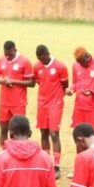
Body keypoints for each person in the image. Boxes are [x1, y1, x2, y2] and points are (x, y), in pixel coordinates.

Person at [33, 44, 69, 179]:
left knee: (54, 133)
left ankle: (57, 166)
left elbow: (65, 84)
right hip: (42, 103)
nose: (41, 61)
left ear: (48, 54)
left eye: (43, 58)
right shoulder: (37, 67)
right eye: (39, 59)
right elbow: (38, 82)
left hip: (56, 103)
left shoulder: (60, 66)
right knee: (43, 132)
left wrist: (57, 96)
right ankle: (46, 163)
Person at [0, 41, 34, 147]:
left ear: (15, 50)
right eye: (5, 54)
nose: (7, 56)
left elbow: (31, 83)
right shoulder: (0, 60)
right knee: (3, 130)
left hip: (18, 103)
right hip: (4, 102)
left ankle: (20, 150)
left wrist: (13, 81)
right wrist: (3, 80)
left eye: (9, 54)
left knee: (19, 131)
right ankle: (4, 152)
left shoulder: (25, 61)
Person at [67, 47, 94, 137]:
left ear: (87, 56)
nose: (80, 64)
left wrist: (93, 92)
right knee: (78, 135)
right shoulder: (76, 65)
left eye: (82, 62)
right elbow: (75, 83)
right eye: (79, 62)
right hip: (79, 106)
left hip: (93, 107)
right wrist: (71, 89)